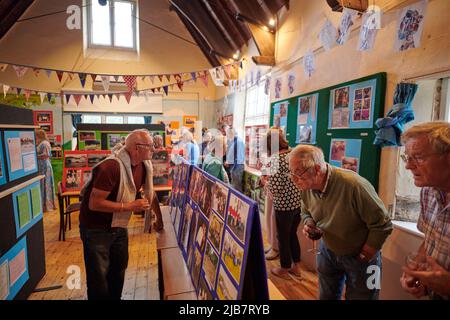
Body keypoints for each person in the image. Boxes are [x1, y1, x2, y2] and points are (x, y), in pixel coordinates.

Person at [288, 144, 393, 300]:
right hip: (328, 250)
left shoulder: (354, 185)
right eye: (291, 174)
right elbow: (306, 210)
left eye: (298, 174)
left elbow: (383, 224)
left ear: (317, 169)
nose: (294, 180)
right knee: (326, 297)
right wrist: (309, 223)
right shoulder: (306, 185)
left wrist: (365, 255)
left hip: (362, 256)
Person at [79, 129, 156, 300]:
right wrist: (130, 205)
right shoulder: (111, 167)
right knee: (98, 280)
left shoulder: (143, 166)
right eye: (150, 146)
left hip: (119, 225)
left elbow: (143, 193)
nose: (154, 149)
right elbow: (94, 203)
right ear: (137, 148)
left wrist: (156, 216)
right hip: (96, 228)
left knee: (118, 272)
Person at [399, 121, 450, 300]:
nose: (408, 166)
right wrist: (417, 272)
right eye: (407, 157)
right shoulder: (428, 191)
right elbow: (430, 239)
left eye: (418, 157)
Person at [264, 128, 303, 279]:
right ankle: (297, 267)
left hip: (283, 205)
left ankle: (285, 268)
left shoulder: (274, 160)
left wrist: (265, 182)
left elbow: (276, 189)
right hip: (296, 202)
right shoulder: (292, 154)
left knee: (283, 237)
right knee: (292, 235)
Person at [35, 129, 56, 212]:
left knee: (46, 185)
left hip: (44, 166)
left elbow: (46, 155)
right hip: (42, 166)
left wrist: (35, 156)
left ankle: (47, 205)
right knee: (43, 185)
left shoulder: (44, 143)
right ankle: (44, 205)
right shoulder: (42, 143)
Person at [225, 128, 245, 192]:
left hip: (236, 168)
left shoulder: (238, 141)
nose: (227, 136)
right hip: (234, 167)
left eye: (228, 134)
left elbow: (238, 157)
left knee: (237, 188)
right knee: (234, 187)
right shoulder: (235, 141)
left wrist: (232, 167)